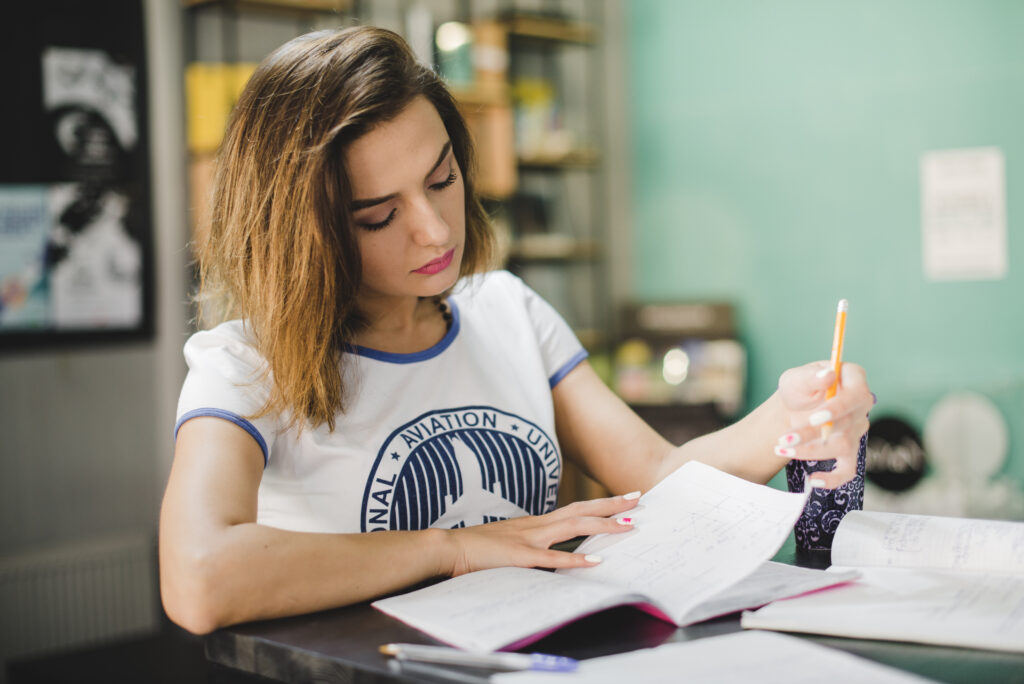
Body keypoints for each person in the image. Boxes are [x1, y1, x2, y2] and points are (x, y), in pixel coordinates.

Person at [158, 26, 872, 635]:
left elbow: (654, 479)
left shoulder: (507, 309)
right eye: (378, 216)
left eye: (442, 180)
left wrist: (792, 416)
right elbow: (199, 578)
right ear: (304, 234)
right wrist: (454, 549)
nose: (434, 229)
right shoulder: (244, 364)